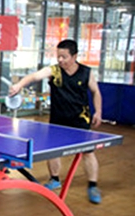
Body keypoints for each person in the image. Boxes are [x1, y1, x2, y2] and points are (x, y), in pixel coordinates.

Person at [9, 39, 103, 204]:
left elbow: (95, 92)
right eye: (58, 56)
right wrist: (19, 85)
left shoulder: (86, 72)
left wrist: (99, 111)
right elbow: (34, 76)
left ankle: (93, 185)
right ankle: (54, 179)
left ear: (74, 56)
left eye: (64, 57)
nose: (60, 60)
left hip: (80, 120)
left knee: (88, 152)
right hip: (58, 120)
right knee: (53, 151)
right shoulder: (55, 71)